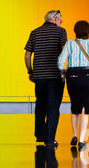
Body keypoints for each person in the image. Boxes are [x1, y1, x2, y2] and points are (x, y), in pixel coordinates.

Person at [25, 10, 67, 148]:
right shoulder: (61, 32)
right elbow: (64, 51)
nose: (61, 22)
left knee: (40, 105)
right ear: (55, 19)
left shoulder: (34, 32)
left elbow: (27, 55)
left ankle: (40, 135)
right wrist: (63, 69)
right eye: (60, 19)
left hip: (39, 77)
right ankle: (49, 139)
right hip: (55, 76)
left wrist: (30, 71)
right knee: (53, 108)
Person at [58, 20, 89, 151]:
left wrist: (65, 71)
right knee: (85, 110)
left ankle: (74, 135)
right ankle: (81, 140)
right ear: (88, 31)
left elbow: (60, 63)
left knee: (75, 107)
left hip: (73, 77)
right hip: (88, 77)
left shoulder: (69, 44)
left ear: (75, 31)